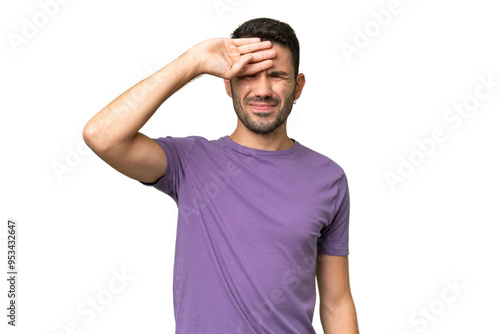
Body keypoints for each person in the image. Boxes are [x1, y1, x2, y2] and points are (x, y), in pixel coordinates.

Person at [83, 17, 359, 334]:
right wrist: (194, 61)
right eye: (248, 76)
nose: (263, 90)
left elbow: (336, 302)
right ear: (228, 84)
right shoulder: (189, 163)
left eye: (277, 76)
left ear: (298, 86)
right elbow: (101, 135)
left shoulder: (329, 179)